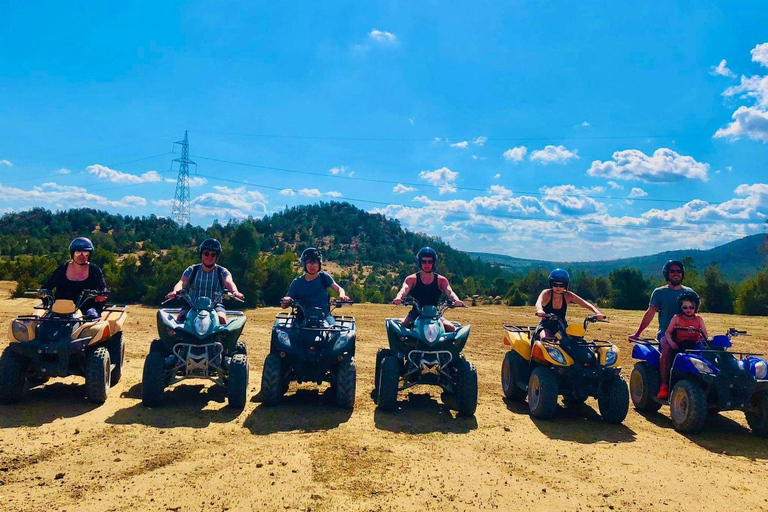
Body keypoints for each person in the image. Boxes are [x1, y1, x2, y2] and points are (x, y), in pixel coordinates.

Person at [167, 238, 244, 325]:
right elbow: (182, 282)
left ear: (216, 256)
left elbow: (229, 282)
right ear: (201, 254)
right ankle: (179, 338)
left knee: (222, 319)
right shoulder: (192, 270)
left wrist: (235, 292)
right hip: (192, 304)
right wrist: (175, 291)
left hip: (215, 305)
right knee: (180, 318)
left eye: (213, 254)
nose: (209, 257)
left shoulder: (222, 271)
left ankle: (221, 339)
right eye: (206, 253)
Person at [392, 247, 465, 332]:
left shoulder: (441, 280)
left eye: (430, 261)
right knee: (403, 326)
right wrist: (399, 297)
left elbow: (450, 291)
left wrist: (456, 300)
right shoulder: (412, 279)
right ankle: (400, 345)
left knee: (451, 328)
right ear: (420, 262)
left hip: (435, 315)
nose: (427, 264)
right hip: (416, 314)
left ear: (433, 263)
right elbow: (404, 289)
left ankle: (445, 346)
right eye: (424, 261)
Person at [657, 291, 708, 399]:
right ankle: (664, 384)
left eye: (691, 307)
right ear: (681, 307)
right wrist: (671, 342)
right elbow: (668, 332)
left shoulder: (699, 319)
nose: (688, 310)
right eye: (685, 307)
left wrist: (702, 340)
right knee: (666, 353)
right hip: (679, 345)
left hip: (694, 346)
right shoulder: (677, 318)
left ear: (696, 307)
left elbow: (705, 335)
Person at [42, 237, 108, 319]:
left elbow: (103, 288)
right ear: (72, 253)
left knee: (92, 322)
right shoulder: (62, 269)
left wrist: (102, 294)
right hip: (61, 310)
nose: (81, 256)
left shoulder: (95, 270)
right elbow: (47, 286)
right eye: (78, 252)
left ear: (90, 255)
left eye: (85, 253)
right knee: (45, 323)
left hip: (87, 310)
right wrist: (44, 295)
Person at [281, 247, 350, 324]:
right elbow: (284, 306)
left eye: (315, 262)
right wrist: (287, 300)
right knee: (291, 334)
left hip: (325, 316)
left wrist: (342, 295)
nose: (312, 265)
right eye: (309, 262)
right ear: (304, 264)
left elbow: (339, 289)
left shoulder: (324, 277)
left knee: (335, 333)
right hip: (302, 317)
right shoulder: (297, 282)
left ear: (319, 263)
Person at [630, 260, 694, 343]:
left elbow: (694, 316)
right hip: (666, 334)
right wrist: (637, 334)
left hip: (688, 334)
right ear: (667, 274)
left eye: (679, 271)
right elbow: (650, 314)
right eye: (672, 271)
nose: (676, 274)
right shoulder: (659, 292)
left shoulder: (690, 292)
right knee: (666, 346)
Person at [534, 268, 605, 339]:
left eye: (561, 285)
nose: (558, 287)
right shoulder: (547, 293)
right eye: (555, 284)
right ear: (551, 284)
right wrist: (540, 310)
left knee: (574, 341)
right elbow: (539, 301)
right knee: (546, 338)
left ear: (566, 285)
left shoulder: (568, 295)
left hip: (562, 325)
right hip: (546, 325)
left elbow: (584, 303)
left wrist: (597, 312)